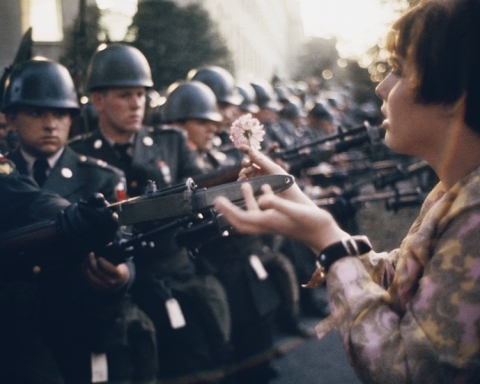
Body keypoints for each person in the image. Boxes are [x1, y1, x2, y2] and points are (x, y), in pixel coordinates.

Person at [215, 0, 480, 382]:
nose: (381, 86)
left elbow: (406, 370)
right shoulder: (454, 193)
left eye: (399, 71)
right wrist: (304, 208)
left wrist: (327, 241)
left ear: (456, 93)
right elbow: (402, 283)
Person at [70, 43, 230, 382]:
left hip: (173, 282)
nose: (136, 105)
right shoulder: (79, 156)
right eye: (124, 95)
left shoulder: (169, 142)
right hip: (116, 296)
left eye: (141, 95)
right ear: (98, 100)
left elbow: (200, 196)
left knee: (192, 366)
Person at [2, 58, 158, 383]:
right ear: (12, 117)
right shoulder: (6, 173)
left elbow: (124, 245)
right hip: (14, 331)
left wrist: (122, 275)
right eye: (36, 113)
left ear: (72, 119)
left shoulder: (101, 176)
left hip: (82, 325)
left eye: (60, 114)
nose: (50, 124)